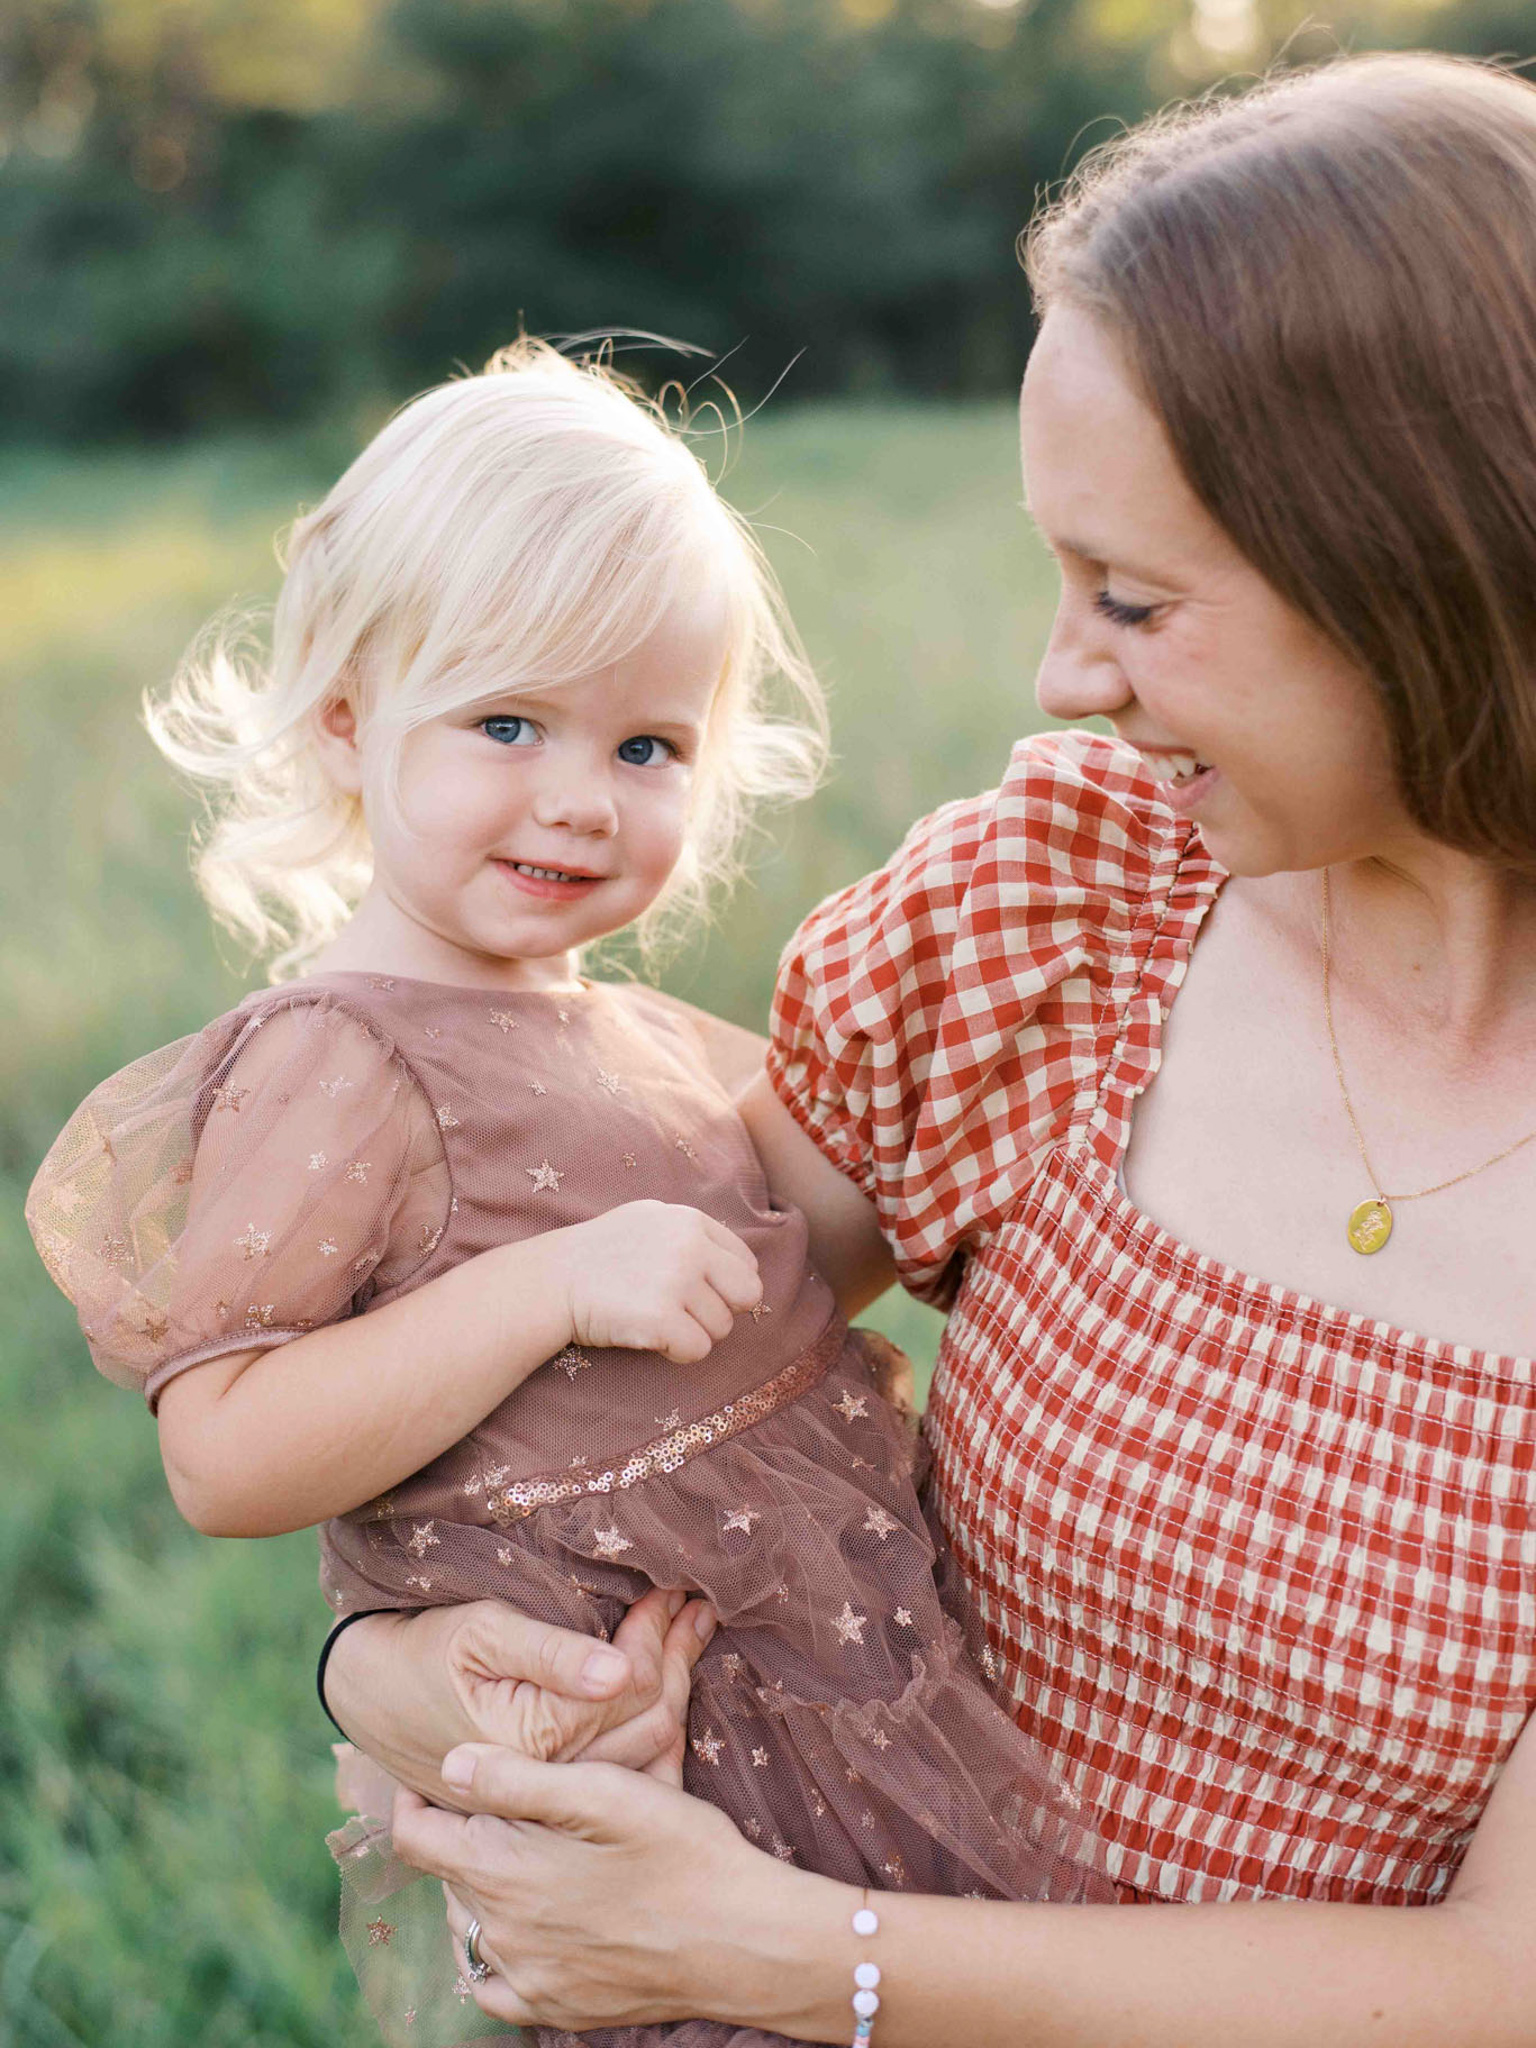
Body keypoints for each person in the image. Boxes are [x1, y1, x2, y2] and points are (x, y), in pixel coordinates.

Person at [318, 49, 1536, 2047]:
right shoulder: (1063, 925)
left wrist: (798, 1956)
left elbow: (1511, 1981)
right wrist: (407, 1672)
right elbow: (572, 1429)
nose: (1064, 676)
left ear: (1428, 577)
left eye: (1136, 599)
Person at [24, 341, 1110, 2048]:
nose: (580, 799)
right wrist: (541, 1287)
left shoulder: (641, 1041)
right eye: (509, 723)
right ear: (345, 721)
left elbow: (774, 1305)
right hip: (638, 1777)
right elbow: (223, 1452)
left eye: (649, 744)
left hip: (824, 1716)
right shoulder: (346, 1056)